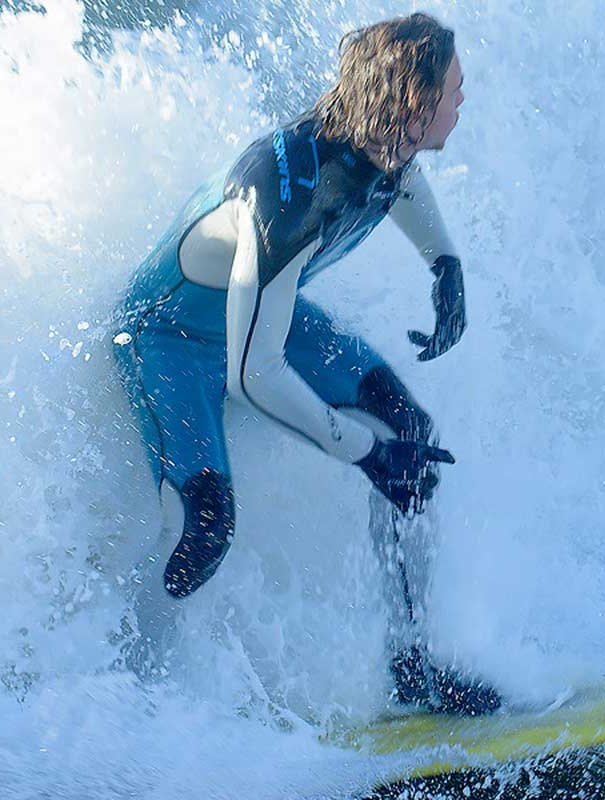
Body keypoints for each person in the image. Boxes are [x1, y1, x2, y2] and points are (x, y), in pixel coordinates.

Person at [111, 13, 500, 716]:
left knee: (408, 438)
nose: (463, 100)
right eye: (455, 89)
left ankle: (412, 668)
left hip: (265, 323)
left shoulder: (379, 141)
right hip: (167, 339)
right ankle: (125, 694)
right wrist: (361, 454)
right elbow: (251, 376)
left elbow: (399, 181)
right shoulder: (287, 195)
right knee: (205, 528)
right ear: (413, 105)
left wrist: (445, 264)